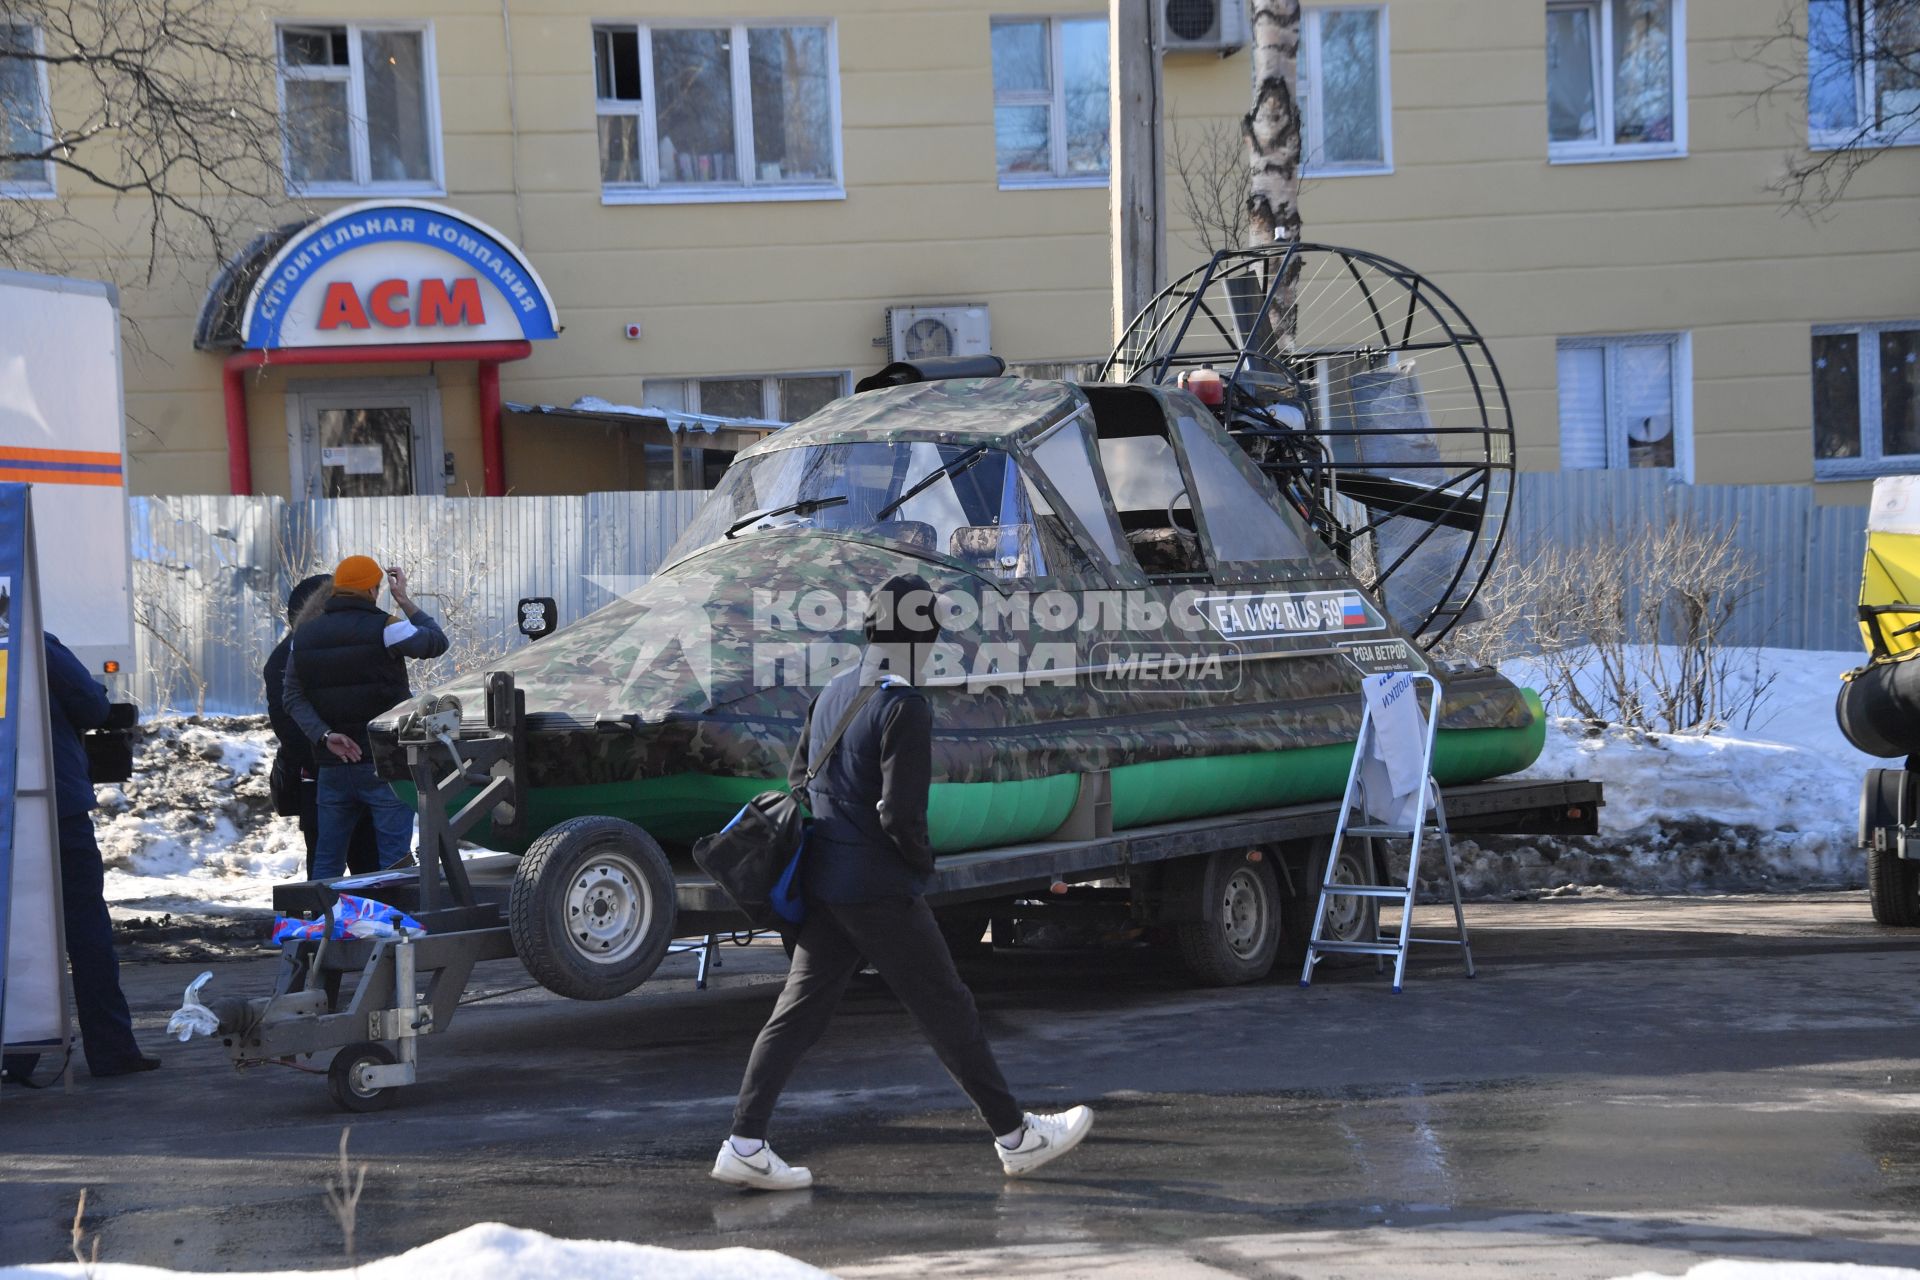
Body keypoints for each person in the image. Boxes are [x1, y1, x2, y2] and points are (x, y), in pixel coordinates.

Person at [713, 573, 1092, 1192]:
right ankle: (1016, 1138)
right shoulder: (904, 705)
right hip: (879, 888)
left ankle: (745, 1142)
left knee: (797, 1014)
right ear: (923, 636)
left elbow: (799, 775)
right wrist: (919, 863)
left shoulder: (834, 691)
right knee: (947, 1008)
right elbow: (900, 814)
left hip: (828, 883)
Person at [2, 634, 157, 1083]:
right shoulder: (33, 642)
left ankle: (18, 1049)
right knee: (85, 928)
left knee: (14, 932)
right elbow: (92, 706)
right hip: (52, 802)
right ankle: (111, 1050)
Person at [282, 557, 448, 880]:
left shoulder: (303, 636)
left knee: (327, 861)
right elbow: (436, 641)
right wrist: (404, 599)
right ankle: (394, 925)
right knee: (393, 861)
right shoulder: (386, 627)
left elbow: (291, 697)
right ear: (373, 589)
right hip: (384, 762)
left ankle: (321, 923)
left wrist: (325, 736)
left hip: (333, 765)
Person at [264, 574, 381, 880]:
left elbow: (286, 725)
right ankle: (368, 921)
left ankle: (325, 921)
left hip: (319, 777)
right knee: (368, 864)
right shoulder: (353, 642)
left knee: (326, 863)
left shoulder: (285, 653)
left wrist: (324, 756)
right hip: (347, 770)